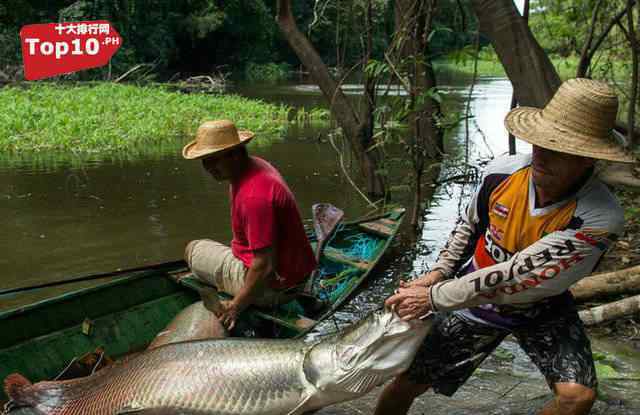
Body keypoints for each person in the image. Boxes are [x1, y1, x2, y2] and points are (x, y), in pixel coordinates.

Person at [376, 78, 636, 415]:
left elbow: (513, 274)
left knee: (578, 397)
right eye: (541, 143)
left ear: (587, 160)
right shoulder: (502, 174)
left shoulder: (598, 218)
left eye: (560, 149)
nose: (542, 155)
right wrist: (438, 272)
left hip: (542, 306)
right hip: (472, 301)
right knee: (406, 384)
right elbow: (468, 228)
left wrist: (432, 296)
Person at [182, 119, 317, 330]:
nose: (208, 168)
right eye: (204, 161)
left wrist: (236, 306)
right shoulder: (256, 164)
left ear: (235, 154)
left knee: (193, 250)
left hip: (273, 288)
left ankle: (249, 297)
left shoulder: (254, 197)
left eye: (213, 160)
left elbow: (264, 266)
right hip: (296, 275)